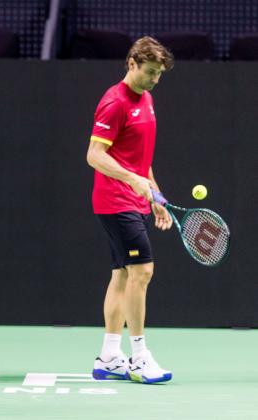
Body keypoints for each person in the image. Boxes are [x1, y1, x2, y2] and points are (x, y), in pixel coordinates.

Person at [87, 36, 175, 384]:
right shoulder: (114, 102)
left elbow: (140, 160)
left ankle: (109, 355)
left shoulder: (147, 99)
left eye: (159, 74)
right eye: (150, 72)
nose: (154, 79)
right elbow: (94, 155)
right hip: (115, 200)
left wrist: (154, 195)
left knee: (123, 275)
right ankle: (139, 357)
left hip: (136, 199)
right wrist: (133, 182)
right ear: (132, 64)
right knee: (143, 272)